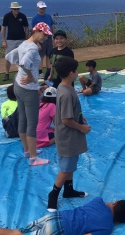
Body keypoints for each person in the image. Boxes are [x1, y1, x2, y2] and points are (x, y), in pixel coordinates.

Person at [47, 56, 91, 211]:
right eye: (77, 70)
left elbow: (69, 112)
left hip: (71, 134)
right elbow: (66, 119)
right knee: (66, 168)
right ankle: (53, 195)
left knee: (71, 164)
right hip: (68, 135)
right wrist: (81, 127)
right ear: (72, 73)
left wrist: (79, 116)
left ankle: (69, 189)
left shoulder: (64, 86)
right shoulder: (66, 93)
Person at [5, 22, 53, 166]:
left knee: (23, 120)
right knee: (32, 123)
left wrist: (21, 72)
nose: (46, 38)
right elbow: (24, 63)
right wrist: (31, 76)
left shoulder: (24, 44)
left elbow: (10, 57)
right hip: (28, 89)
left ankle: (27, 151)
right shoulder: (32, 48)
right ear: (37, 31)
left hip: (18, 85)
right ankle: (33, 158)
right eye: (44, 34)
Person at [0, 197, 125, 235]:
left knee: (15, 232)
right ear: (118, 220)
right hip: (60, 230)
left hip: (54, 218)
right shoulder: (107, 227)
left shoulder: (98, 202)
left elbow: (105, 204)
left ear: (115, 202)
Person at [2, 2, 29, 82]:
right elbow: (3, 28)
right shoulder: (7, 16)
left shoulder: (22, 16)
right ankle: (7, 73)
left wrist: (26, 38)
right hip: (10, 39)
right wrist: (4, 40)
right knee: (8, 57)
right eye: (15, 9)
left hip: (21, 39)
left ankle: (21, 72)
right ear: (11, 9)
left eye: (18, 9)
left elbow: (26, 27)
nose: (17, 10)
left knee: (22, 56)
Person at [30, 1, 55, 80]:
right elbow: (33, 31)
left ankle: (48, 70)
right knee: (41, 56)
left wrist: (54, 37)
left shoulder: (48, 16)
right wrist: (37, 42)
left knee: (49, 55)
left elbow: (52, 26)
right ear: (38, 8)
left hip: (49, 38)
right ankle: (40, 72)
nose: (43, 9)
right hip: (41, 39)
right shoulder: (35, 18)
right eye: (41, 8)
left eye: (44, 8)